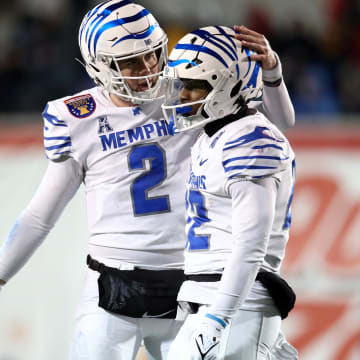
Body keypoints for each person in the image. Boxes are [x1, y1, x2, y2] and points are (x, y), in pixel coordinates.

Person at [0, 1, 295, 359]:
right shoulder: (76, 117)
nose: (148, 69)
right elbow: (40, 215)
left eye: (153, 55)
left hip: (188, 283)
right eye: (131, 62)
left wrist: (272, 73)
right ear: (100, 65)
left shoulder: (187, 85)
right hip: (112, 284)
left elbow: (274, 124)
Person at [162, 26, 298, 359]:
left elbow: (251, 244)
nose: (182, 96)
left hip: (236, 303)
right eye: (182, 85)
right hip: (213, 295)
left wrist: (217, 319)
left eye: (195, 86)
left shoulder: (249, 140)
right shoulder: (216, 133)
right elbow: (285, 119)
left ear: (231, 86)